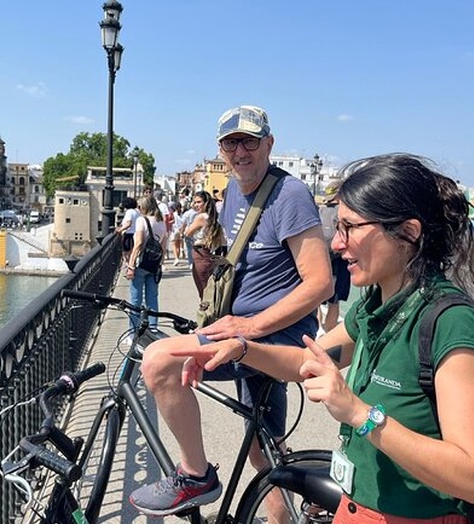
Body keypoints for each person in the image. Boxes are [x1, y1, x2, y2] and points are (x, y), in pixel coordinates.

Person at [172, 153, 474, 523]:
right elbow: (305, 360)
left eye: (349, 228)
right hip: (357, 508)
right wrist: (242, 349)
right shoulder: (377, 305)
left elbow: (473, 477)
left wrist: (360, 414)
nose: (337, 245)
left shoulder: (451, 323)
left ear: (408, 232)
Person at [128, 105, 333, 516]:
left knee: (158, 361)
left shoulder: (289, 195)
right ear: (220, 149)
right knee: (265, 454)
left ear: (269, 144)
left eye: (249, 141)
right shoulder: (236, 190)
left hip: (273, 336)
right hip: (245, 330)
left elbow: (321, 282)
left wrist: (249, 324)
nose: (240, 151)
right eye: (230, 142)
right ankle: (286, 516)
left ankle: (195, 474)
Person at [124, 196, 167, 334]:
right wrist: (160, 263)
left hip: (141, 264)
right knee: (152, 299)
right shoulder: (161, 222)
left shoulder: (142, 220)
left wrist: (130, 266)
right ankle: (153, 329)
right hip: (154, 264)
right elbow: (163, 246)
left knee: (135, 299)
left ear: (144, 207)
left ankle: (133, 331)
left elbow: (138, 244)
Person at [317, 180, 351, 333]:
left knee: (316, 299)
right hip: (339, 261)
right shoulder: (342, 212)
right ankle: (328, 332)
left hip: (322, 259)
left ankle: (317, 327)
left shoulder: (321, 210)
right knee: (334, 301)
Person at [183, 190, 224, 297]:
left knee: (204, 291)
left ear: (206, 203)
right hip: (210, 254)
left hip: (200, 254)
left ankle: (207, 313)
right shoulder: (213, 216)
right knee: (209, 290)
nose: (196, 205)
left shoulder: (201, 217)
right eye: (195, 202)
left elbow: (187, 233)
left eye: (199, 202)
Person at [115, 197, 139, 262]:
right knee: (133, 252)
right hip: (136, 233)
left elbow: (128, 223)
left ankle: (130, 266)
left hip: (129, 234)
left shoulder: (129, 212)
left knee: (127, 253)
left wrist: (120, 230)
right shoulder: (136, 212)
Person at [170, 201, 185, 267]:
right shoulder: (183, 214)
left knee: (174, 245)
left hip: (175, 230)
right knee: (178, 245)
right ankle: (178, 256)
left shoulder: (173, 214)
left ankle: (176, 258)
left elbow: (172, 221)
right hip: (181, 230)